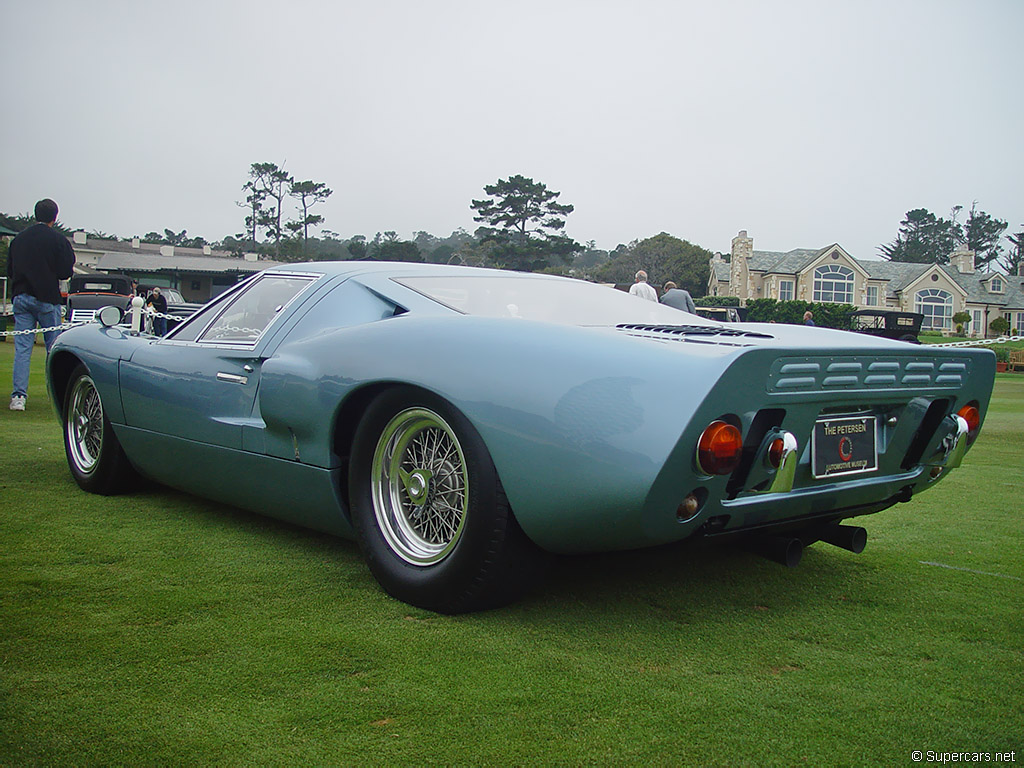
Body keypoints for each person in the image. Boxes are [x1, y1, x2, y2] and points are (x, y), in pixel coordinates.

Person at [8, 199, 76, 411]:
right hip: (47, 298)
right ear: (55, 218)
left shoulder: (18, 240)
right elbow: (66, 271)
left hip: (21, 296)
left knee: (22, 349)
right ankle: (57, 396)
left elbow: (10, 269)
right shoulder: (58, 240)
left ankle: (19, 396)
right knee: (54, 349)